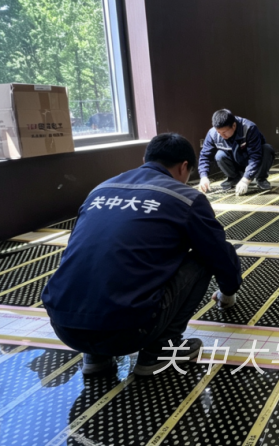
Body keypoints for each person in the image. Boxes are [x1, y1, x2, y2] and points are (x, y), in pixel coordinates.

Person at [42, 133, 242, 377]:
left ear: (145, 160)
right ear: (184, 167)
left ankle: (95, 356)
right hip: (129, 330)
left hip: (64, 326)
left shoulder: (100, 190)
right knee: (203, 257)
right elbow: (219, 253)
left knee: (97, 255)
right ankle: (160, 350)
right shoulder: (186, 197)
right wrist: (228, 292)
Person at [198, 109, 275, 195]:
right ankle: (234, 178)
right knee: (219, 155)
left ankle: (261, 178)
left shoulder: (249, 128)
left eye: (224, 132)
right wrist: (203, 177)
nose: (221, 135)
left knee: (267, 149)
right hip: (235, 162)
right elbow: (205, 156)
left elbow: (255, 157)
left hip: (250, 161)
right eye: (218, 132)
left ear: (234, 126)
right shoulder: (212, 133)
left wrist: (246, 180)